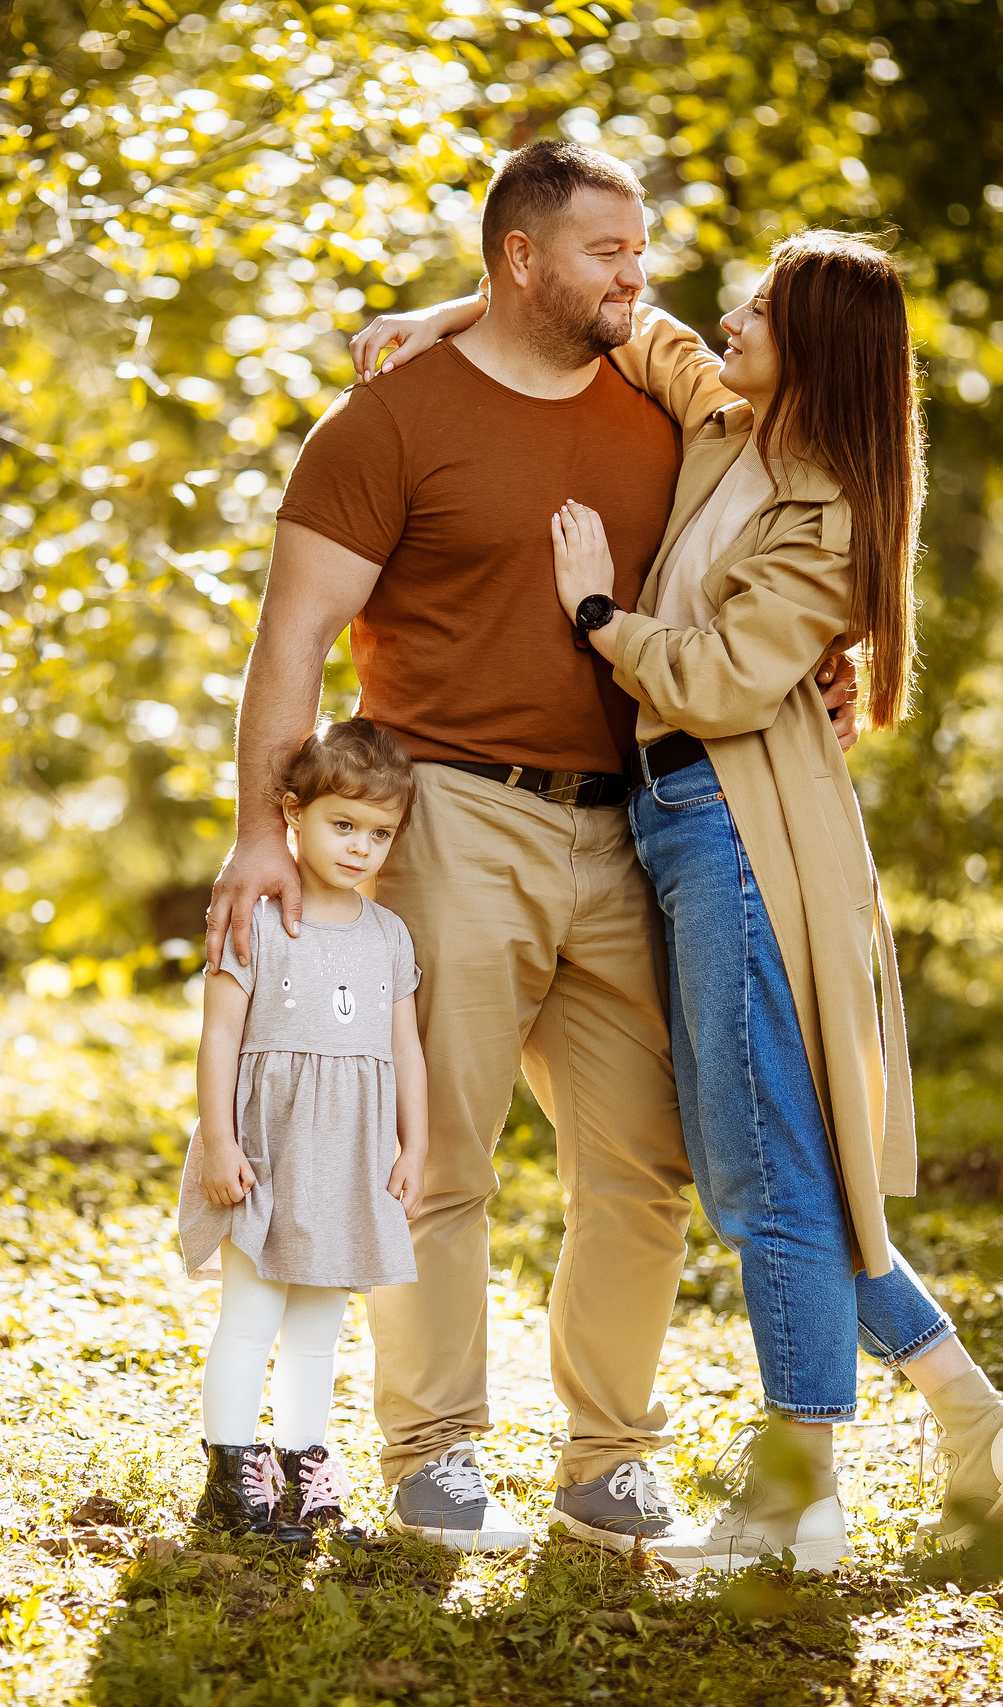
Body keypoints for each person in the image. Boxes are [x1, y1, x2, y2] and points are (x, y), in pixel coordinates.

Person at [206, 138, 856, 1556]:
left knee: (643, 1162)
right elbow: (293, 642)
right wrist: (263, 832)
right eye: (610, 251)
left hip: (632, 820)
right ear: (521, 261)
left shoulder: (659, 405)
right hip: (450, 811)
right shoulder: (386, 424)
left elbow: (759, 541)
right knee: (436, 1152)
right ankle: (433, 1452)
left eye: (644, 248)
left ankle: (607, 1460)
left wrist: (821, 656)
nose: (643, 275)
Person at [527, 229, 1003, 1572]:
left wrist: (598, 614)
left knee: (769, 1171)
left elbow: (713, 678)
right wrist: (450, 313)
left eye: (760, 305)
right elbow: (644, 333)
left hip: (740, 831)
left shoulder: (825, 506)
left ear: (814, 339)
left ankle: (796, 1504)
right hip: (679, 824)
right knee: (769, 1169)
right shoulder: (728, 420)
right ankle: (975, 1422)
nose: (731, 312)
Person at [179, 717, 429, 1555]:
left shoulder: (388, 935)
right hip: (267, 1149)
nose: (360, 846)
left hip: (351, 1158)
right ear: (293, 812)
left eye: (379, 832)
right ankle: (231, 1470)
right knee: (250, 1314)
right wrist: (220, 1142)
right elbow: (218, 1036)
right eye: (342, 824)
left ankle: (302, 1466)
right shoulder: (259, 918)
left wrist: (414, 1144)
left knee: (320, 1326)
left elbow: (404, 1049)